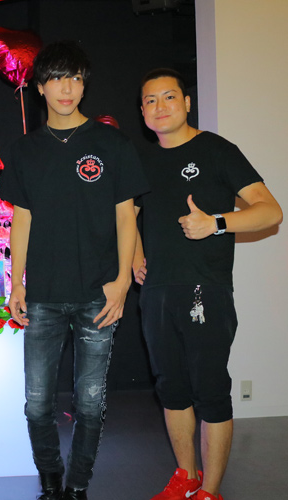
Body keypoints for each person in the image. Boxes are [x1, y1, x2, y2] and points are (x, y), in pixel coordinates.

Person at [0, 41, 148, 500]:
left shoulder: (112, 144)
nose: (67, 88)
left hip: (98, 294)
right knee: (37, 405)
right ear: (40, 87)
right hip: (42, 295)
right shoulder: (25, 150)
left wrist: (122, 282)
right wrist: (16, 282)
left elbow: (127, 216)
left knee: (90, 404)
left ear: (85, 85)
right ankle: (51, 482)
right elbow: (21, 219)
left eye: (76, 78)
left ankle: (78, 486)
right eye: (58, 79)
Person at [134, 68, 282, 500]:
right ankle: (186, 477)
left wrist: (216, 222)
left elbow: (270, 211)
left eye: (169, 97)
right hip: (157, 292)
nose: (160, 106)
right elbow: (130, 217)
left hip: (206, 290)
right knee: (171, 389)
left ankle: (210, 491)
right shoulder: (141, 161)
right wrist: (136, 256)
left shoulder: (217, 150)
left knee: (210, 390)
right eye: (150, 100)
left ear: (187, 103)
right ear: (142, 111)